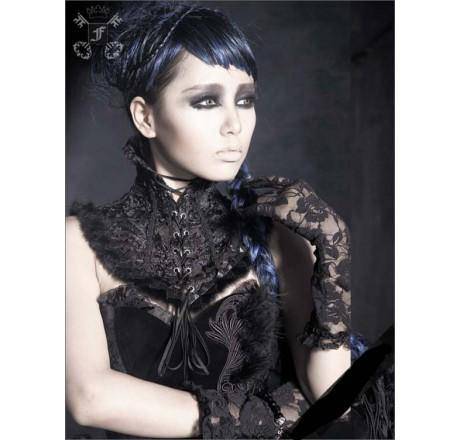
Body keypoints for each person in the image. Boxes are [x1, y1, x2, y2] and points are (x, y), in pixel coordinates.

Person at [66, 2, 394, 439]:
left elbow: (332, 397)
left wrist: (334, 254)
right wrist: (264, 416)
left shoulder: (276, 236)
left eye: (245, 100)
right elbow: (90, 398)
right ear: (146, 116)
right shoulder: (77, 243)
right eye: (206, 101)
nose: (234, 124)